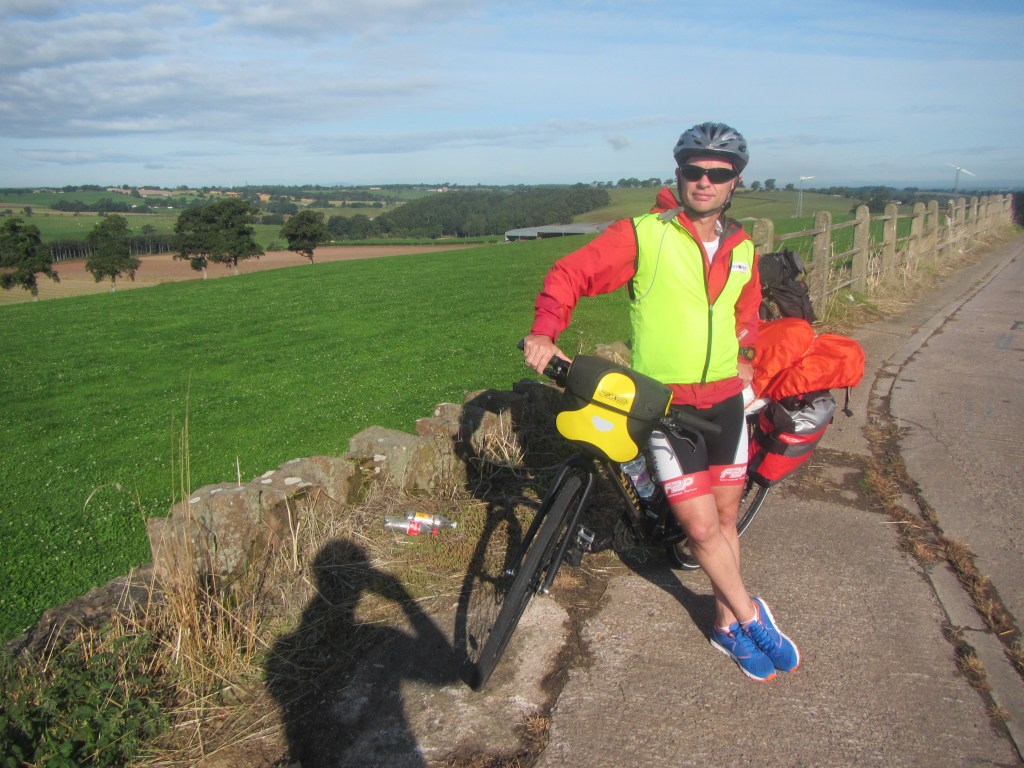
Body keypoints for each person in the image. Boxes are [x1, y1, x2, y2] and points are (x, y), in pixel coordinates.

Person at [522, 121, 799, 682]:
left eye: (717, 174)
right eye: (694, 170)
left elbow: (744, 313)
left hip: (726, 404)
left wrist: (744, 350)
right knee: (699, 530)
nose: (704, 180)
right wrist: (545, 330)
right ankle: (752, 616)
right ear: (679, 173)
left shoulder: (743, 246)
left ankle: (725, 625)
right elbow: (570, 272)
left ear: (734, 182)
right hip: (668, 408)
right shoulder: (643, 233)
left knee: (724, 519)